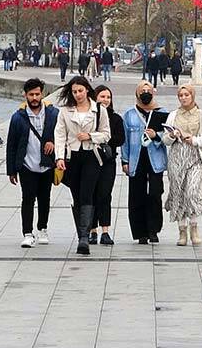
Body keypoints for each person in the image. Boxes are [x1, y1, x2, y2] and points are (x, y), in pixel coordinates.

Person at [54, 75, 111, 255]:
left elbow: (106, 134)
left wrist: (90, 136)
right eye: (74, 92)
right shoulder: (65, 111)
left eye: (80, 91)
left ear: (87, 90)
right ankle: (81, 234)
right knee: (76, 196)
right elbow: (60, 135)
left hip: (91, 155)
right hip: (72, 156)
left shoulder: (99, 109)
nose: (78, 94)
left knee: (87, 193)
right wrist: (59, 158)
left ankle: (84, 237)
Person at [7, 78, 58, 248]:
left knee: (45, 198)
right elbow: (11, 144)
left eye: (37, 94)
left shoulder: (53, 114)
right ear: (25, 95)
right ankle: (27, 233)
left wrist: (53, 142)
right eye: (31, 95)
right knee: (27, 199)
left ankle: (42, 228)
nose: (34, 98)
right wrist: (11, 170)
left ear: (42, 94)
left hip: (46, 164)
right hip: (27, 164)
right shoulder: (17, 118)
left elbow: (62, 135)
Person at [164, 85, 202, 246]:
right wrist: (172, 135)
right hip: (177, 156)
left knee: (191, 191)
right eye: (180, 95)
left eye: (186, 95)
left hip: (195, 156)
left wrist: (196, 140)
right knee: (177, 191)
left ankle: (194, 226)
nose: (183, 98)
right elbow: (165, 139)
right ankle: (182, 230)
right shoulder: (174, 115)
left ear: (192, 96)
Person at [121, 81, 168, 243]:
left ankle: (153, 229)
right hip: (136, 159)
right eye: (142, 90)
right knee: (136, 195)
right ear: (137, 93)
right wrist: (124, 160)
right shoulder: (129, 114)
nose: (146, 93)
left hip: (155, 159)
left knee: (155, 194)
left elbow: (168, 137)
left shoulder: (162, 113)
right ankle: (140, 232)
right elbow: (125, 140)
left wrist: (157, 135)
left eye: (148, 90)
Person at [87, 85, 125, 246]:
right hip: (91, 159)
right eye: (102, 96)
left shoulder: (116, 118)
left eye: (108, 97)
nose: (105, 100)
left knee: (104, 195)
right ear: (95, 97)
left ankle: (105, 231)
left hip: (108, 161)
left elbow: (120, 139)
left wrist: (102, 138)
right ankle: (92, 230)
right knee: (91, 195)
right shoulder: (89, 116)